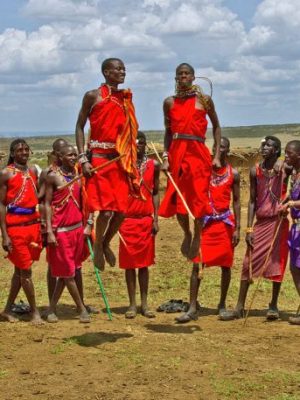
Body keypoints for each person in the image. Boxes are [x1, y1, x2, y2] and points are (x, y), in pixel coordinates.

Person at [75, 57, 139, 271]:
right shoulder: (93, 96)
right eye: (118, 69)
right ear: (105, 72)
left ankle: (104, 242)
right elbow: (79, 126)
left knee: (121, 211)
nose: (122, 72)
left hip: (120, 160)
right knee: (105, 211)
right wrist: (83, 158)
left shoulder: (125, 98)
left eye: (124, 68)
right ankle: (99, 244)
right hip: (99, 160)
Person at [221, 136, 290, 321]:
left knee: (277, 262)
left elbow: (296, 162)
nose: (265, 147)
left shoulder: (284, 169)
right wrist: (249, 228)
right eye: (264, 145)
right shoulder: (255, 171)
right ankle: (239, 307)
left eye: (269, 146)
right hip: (261, 222)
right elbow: (252, 201)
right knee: (248, 262)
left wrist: (282, 164)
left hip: (278, 223)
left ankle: (273, 305)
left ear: (276, 150)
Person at [159, 63, 221, 261]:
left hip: (198, 152)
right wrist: (166, 157)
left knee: (199, 197)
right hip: (177, 153)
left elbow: (217, 127)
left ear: (194, 77)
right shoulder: (169, 102)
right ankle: (186, 232)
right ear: (175, 78)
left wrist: (217, 155)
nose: (183, 76)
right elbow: (168, 133)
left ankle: (198, 233)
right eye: (180, 74)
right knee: (178, 198)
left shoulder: (204, 100)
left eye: (187, 74)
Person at [176, 137, 240, 322]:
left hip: (225, 225)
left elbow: (236, 201)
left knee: (225, 266)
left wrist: (238, 228)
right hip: (204, 225)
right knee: (197, 264)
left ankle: (221, 305)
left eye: (223, 148)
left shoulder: (233, 174)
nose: (218, 151)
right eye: (215, 148)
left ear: (228, 150)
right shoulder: (203, 171)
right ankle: (193, 307)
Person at [44, 145, 91, 323]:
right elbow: (47, 204)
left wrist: (89, 224)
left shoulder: (78, 174)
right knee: (68, 273)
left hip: (77, 229)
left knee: (68, 271)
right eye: (70, 155)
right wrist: (49, 231)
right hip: (61, 231)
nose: (73, 158)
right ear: (60, 157)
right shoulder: (52, 176)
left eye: (75, 155)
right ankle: (81, 309)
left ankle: (51, 309)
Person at [0, 139, 43, 324]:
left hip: (33, 227)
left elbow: (40, 196)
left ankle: (7, 310)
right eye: (19, 150)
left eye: (26, 149)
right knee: (26, 271)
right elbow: (1, 205)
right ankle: (35, 312)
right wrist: (4, 235)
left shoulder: (33, 171)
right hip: (15, 228)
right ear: (12, 153)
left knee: (20, 270)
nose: (24, 152)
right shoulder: (6, 174)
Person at [119, 131, 160, 319]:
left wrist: (156, 219)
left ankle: (144, 304)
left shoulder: (154, 165)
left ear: (146, 145)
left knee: (144, 265)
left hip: (145, 221)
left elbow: (155, 193)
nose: (138, 145)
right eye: (134, 143)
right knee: (129, 266)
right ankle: (132, 305)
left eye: (141, 142)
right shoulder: (123, 166)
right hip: (126, 221)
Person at [39, 138, 68, 302]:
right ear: (56, 153)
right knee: (53, 263)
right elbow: (42, 199)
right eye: (60, 151)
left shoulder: (72, 170)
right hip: (54, 222)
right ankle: (52, 302)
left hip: (71, 222)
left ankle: (81, 302)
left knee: (74, 263)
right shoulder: (48, 173)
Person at [280, 140, 300, 325]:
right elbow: (293, 194)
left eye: (289, 153)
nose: (286, 156)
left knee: (297, 268)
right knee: (295, 268)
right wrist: (285, 200)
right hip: (296, 228)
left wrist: (291, 204)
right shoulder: (294, 174)